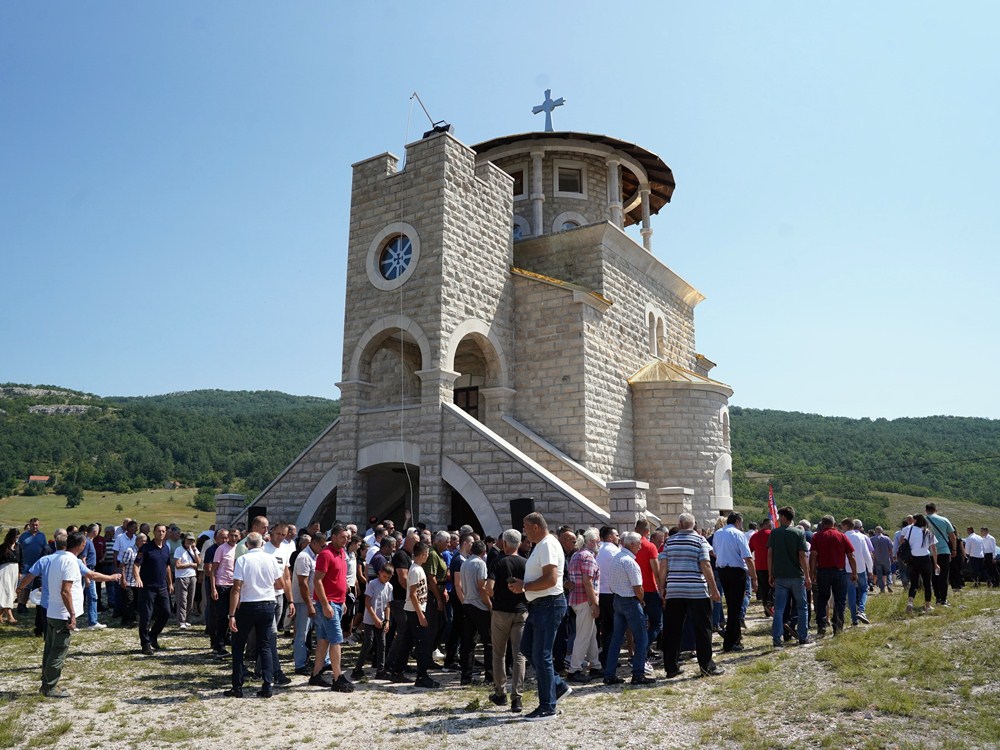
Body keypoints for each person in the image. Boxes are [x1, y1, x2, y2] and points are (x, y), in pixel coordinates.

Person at [36, 531, 121, 697]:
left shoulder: (57, 559)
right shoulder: (70, 562)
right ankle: (50, 687)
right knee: (58, 650)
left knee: (50, 649)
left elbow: (90, 575)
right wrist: (72, 614)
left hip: (52, 611)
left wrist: (110, 578)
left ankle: (45, 683)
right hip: (62, 614)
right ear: (81, 545)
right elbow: (65, 591)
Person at [510, 512, 571, 720]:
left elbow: (551, 580)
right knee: (528, 648)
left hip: (549, 604)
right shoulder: (543, 545)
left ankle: (547, 706)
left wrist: (524, 586)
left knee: (542, 655)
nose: (524, 533)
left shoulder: (547, 545)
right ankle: (557, 686)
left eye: (526, 528)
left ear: (536, 527)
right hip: (540, 605)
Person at [661, 513, 724, 678]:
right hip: (696, 590)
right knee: (703, 628)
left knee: (673, 629)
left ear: (680, 524)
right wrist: (714, 588)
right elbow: (706, 565)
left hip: (674, 590)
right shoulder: (700, 540)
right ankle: (706, 666)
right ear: (693, 525)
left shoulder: (670, 541)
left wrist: (662, 587)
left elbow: (663, 566)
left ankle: (671, 667)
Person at [225, 532, 284, 698]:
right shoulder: (271, 559)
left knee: (238, 645)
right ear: (262, 544)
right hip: (268, 603)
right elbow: (280, 583)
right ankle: (268, 684)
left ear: (247, 545)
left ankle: (237, 686)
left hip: (249, 604)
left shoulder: (243, 560)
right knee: (264, 645)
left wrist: (231, 614)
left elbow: (236, 588)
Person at [602, 531, 656, 687]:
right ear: (631, 544)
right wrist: (642, 601)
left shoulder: (616, 559)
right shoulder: (630, 562)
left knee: (616, 639)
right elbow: (638, 588)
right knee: (641, 638)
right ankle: (638, 674)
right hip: (630, 601)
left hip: (617, 600)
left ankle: (609, 674)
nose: (640, 546)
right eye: (639, 543)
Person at [485, 528, 529, 713]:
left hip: (501, 611)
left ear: (504, 543)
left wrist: (496, 595)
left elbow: (488, 588)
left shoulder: (497, 562)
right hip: (521, 611)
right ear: (519, 543)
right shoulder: (526, 563)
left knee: (499, 653)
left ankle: (500, 693)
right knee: (519, 655)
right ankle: (517, 698)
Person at [389, 541, 439, 689]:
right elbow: (412, 594)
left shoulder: (418, 569)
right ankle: (422, 676)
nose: (428, 555)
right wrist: (421, 615)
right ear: (423, 554)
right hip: (415, 611)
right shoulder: (416, 570)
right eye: (427, 553)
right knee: (423, 644)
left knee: (407, 642)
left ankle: (397, 671)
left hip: (413, 610)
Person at [310, 524, 354, 693]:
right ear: (334, 537)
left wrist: (342, 601)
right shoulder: (325, 554)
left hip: (336, 602)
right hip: (328, 604)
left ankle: (316, 675)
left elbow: (339, 579)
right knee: (336, 640)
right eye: (343, 537)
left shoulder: (342, 553)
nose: (346, 540)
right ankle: (337, 678)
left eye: (347, 537)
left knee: (323, 639)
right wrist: (325, 604)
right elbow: (317, 581)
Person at [711, 512, 758, 652]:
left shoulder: (718, 533)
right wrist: (754, 578)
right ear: (738, 521)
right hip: (736, 572)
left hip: (722, 571)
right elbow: (748, 557)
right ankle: (730, 642)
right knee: (735, 608)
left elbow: (714, 552)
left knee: (732, 606)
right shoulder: (738, 534)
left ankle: (736, 638)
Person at [767, 505, 812, 647]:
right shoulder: (799, 533)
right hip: (797, 576)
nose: (778, 519)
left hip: (780, 576)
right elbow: (802, 556)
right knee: (802, 607)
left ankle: (776, 639)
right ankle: (803, 637)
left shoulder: (774, 533)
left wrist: (770, 573)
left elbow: (770, 554)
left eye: (780, 516)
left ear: (784, 517)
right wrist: (808, 575)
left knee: (779, 608)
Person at [809, 515, 857, 637]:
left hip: (823, 572)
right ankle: (838, 628)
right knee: (839, 600)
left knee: (822, 599)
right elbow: (851, 556)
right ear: (834, 524)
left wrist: (812, 572)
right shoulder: (841, 536)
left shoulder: (817, 536)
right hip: (839, 572)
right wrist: (854, 572)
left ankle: (821, 627)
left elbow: (814, 555)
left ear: (823, 524)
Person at [566, 528, 601, 683]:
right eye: (597, 541)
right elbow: (588, 583)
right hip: (585, 601)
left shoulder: (576, 555)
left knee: (590, 633)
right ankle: (574, 669)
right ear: (592, 542)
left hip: (576, 600)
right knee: (583, 636)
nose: (598, 544)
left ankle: (596, 665)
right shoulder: (588, 557)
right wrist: (594, 604)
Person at [134, 523, 174, 655]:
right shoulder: (146, 548)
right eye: (158, 531)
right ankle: (145, 644)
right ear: (154, 532)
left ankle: (153, 635)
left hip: (162, 586)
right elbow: (136, 564)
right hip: (148, 587)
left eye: (163, 531)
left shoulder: (166, 548)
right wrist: (138, 578)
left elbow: (167, 566)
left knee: (166, 612)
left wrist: (170, 583)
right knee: (146, 615)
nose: (161, 533)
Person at [459, 539, 492, 685]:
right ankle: (489, 677)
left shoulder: (465, 562)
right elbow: (482, 587)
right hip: (479, 606)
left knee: (468, 642)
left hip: (467, 603)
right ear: (484, 552)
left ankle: (466, 676)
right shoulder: (480, 564)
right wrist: (490, 605)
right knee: (488, 642)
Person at [352, 562, 393, 680]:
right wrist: (375, 618)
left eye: (389, 578)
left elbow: (388, 605)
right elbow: (367, 602)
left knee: (382, 644)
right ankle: (357, 669)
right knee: (368, 643)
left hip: (381, 619)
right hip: (370, 619)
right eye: (384, 576)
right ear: (379, 573)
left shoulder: (389, 587)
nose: (386, 579)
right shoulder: (372, 584)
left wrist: (387, 620)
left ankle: (381, 670)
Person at [292, 532, 323, 675]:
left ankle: (306, 660)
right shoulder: (304, 557)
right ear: (315, 543)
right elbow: (302, 583)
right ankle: (299, 664)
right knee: (302, 634)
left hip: (312, 600)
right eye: (322, 546)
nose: (323, 549)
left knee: (308, 633)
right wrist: (309, 604)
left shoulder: (314, 555)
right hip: (304, 601)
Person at [595, 526, 620, 668]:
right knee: (615, 628)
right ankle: (611, 658)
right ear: (610, 537)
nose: (618, 537)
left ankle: (606, 656)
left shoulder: (597, 549)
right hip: (611, 592)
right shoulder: (613, 551)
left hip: (600, 592)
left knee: (605, 628)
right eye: (616, 535)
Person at [903, 515, 939, 614]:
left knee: (914, 583)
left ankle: (910, 602)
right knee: (927, 583)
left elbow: (905, 542)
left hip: (913, 559)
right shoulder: (928, 532)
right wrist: (936, 563)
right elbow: (934, 549)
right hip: (925, 559)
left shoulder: (909, 530)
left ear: (916, 520)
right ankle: (927, 606)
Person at [924, 503, 957, 607]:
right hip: (943, 550)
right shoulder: (944, 520)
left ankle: (937, 597)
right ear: (936, 510)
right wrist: (954, 549)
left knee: (933, 576)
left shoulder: (923, 521)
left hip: (929, 552)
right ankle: (943, 599)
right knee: (943, 576)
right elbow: (953, 537)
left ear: (926, 511)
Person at [843, 519, 873, 626]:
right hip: (860, 568)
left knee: (851, 593)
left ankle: (854, 619)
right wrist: (870, 570)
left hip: (847, 570)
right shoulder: (860, 537)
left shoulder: (842, 537)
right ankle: (861, 610)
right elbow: (867, 555)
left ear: (845, 526)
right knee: (863, 590)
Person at [16, 518, 47, 613]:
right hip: (26, 565)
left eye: (37, 525)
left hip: (38, 566)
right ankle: (21, 605)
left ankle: (39, 606)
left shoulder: (42, 536)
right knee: (25, 587)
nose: (35, 527)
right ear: (29, 525)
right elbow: (18, 549)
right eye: (33, 525)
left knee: (38, 587)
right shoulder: (24, 536)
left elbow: (45, 549)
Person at [748, 517, 773, 616]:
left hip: (759, 566)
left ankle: (766, 609)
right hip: (771, 566)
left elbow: (749, 550)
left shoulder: (755, 536)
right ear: (767, 524)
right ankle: (771, 606)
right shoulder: (771, 534)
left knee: (763, 589)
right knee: (773, 588)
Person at [173, 533, 199, 628]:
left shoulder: (193, 550)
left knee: (190, 600)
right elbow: (178, 565)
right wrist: (191, 565)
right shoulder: (179, 550)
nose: (190, 542)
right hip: (181, 577)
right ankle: (181, 621)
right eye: (189, 540)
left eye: (192, 540)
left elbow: (199, 562)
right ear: (184, 540)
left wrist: (195, 550)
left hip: (192, 576)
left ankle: (188, 619)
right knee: (182, 599)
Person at [1, 528, 19, 623]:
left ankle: (0, 615)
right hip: (5, 570)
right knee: (6, 591)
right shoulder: (4, 547)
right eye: (15, 537)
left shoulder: (18, 546)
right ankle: (9, 616)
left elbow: (21, 559)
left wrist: (20, 571)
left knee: (12, 591)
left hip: (15, 570)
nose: (16, 539)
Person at [870, 526, 894, 593]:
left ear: (875, 531)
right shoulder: (887, 538)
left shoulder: (872, 539)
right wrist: (891, 557)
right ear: (882, 531)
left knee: (879, 574)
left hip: (877, 559)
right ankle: (889, 584)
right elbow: (891, 548)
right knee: (888, 572)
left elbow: (870, 549)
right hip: (886, 558)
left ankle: (882, 588)